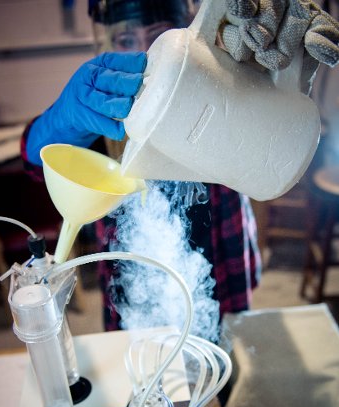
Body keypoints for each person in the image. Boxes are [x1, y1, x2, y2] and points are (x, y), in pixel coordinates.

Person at [20, 0, 339, 339]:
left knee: (231, 355)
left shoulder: (218, 66)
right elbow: (35, 163)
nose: (144, 51)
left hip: (221, 248)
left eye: (157, 35)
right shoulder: (104, 97)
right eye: (126, 41)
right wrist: (61, 120)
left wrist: (257, 76)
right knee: (142, 369)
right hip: (133, 273)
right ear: (107, 44)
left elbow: (275, 147)